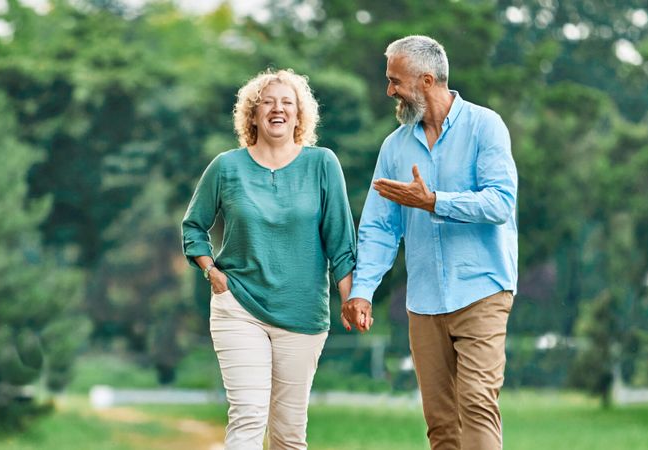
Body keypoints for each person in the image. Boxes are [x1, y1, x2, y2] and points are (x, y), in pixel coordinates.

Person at [342, 35, 518, 450]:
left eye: (395, 81)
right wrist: (363, 290)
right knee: (440, 423)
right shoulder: (394, 147)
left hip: (482, 290)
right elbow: (380, 227)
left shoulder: (484, 126)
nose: (389, 91)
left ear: (426, 80)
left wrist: (434, 201)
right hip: (424, 301)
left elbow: (501, 203)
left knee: (476, 403)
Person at [181, 69, 356, 450]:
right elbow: (193, 227)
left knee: (289, 433)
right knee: (248, 417)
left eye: (287, 102)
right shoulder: (227, 167)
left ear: (299, 115)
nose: (278, 109)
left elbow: (340, 240)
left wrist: (351, 298)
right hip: (238, 304)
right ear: (253, 115)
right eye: (268, 102)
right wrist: (210, 270)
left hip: (303, 312)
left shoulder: (322, 164)